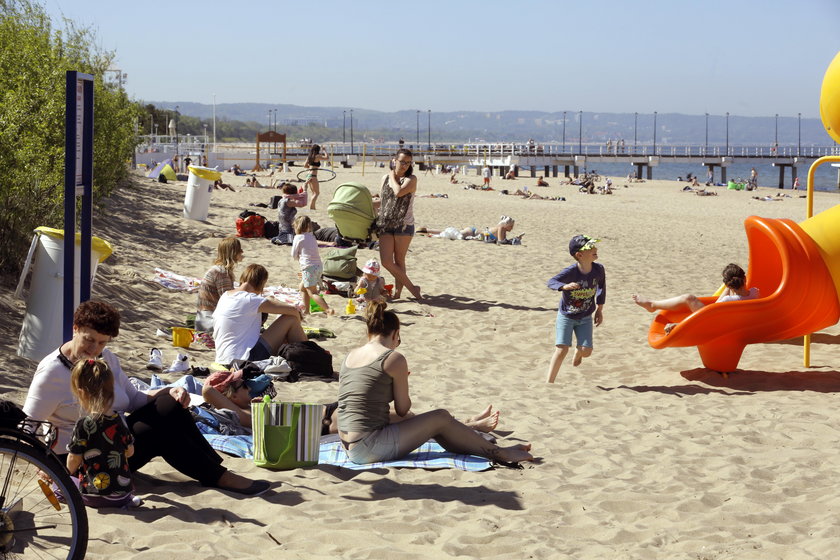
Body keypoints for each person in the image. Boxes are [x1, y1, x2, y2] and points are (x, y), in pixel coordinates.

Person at [23, 300, 270, 496]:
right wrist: (43, 466)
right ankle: (217, 475)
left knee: (169, 405)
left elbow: (133, 400)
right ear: (75, 329)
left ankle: (215, 472)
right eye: (89, 340)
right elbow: (28, 426)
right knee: (163, 431)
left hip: (115, 447)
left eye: (101, 342)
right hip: (81, 462)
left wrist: (170, 391)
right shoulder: (52, 372)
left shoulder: (106, 359)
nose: (94, 349)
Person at [337, 301, 534, 465]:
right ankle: (500, 453)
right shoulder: (392, 358)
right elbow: (403, 407)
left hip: (349, 444)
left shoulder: (350, 356)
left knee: (421, 421)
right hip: (367, 448)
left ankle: (474, 434)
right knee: (440, 417)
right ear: (395, 334)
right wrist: (402, 380)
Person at [66, 357, 139, 508]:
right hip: (123, 494)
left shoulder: (83, 424)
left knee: (58, 486)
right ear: (111, 390)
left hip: (95, 494)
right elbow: (130, 451)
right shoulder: (119, 419)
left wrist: (66, 474)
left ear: (81, 393)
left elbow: (74, 458)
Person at [213, 263, 308, 365]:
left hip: (222, 358)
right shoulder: (251, 300)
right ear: (261, 283)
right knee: (290, 319)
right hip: (245, 359)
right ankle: (308, 355)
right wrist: (297, 323)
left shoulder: (226, 296)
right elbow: (293, 311)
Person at [546, 235, 606, 383]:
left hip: (585, 317)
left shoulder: (599, 269)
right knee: (562, 349)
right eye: (590, 248)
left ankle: (579, 353)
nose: (595, 249)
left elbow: (602, 288)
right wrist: (564, 286)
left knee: (587, 352)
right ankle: (549, 382)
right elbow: (551, 282)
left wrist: (599, 309)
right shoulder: (571, 271)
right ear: (579, 255)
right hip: (566, 316)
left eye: (594, 246)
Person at [632, 263, 759, 333]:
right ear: (745, 279)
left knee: (689, 298)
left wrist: (727, 287)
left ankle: (653, 305)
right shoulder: (755, 293)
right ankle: (677, 323)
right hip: (740, 326)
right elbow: (742, 296)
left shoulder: (727, 301)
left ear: (728, 284)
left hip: (718, 328)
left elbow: (711, 312)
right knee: (692, 302)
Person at [376, 148, 422, 300]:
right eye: (402, 162)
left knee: (399, 260)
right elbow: (383, 201)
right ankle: (413, 288)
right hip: (385, 224)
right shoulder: (384, 178)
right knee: (386, 261)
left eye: (408, 163)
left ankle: (398, 293)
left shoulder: (411, 179)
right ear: (394, 160)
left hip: (404, 225)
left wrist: (391, 175)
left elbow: (398, 192)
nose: (405, 166)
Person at [196, 237, 243, 332]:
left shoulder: (219, 269)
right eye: (239, 249)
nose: (242, 251)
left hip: (203, 318)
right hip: (209, 321)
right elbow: (228, 300)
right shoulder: (221, 273)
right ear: (233, 253)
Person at [291, 215, 333, 315]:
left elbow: (293, 254)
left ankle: (327, 309)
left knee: (312, 292)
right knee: (303, 287)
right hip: (318, 266)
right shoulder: (312, 236)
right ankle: (306, 311)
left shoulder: (298, 237)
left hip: (309, 267)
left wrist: (297, 258)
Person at [304, 144, 329, 210]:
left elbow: (305, 166)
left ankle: (313, 207)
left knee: (313, 193)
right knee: (316, 193)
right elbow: (327, 158)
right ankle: (311, 207)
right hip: (313, 176)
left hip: (308, 175)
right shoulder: (317, 156)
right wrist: (325, 150)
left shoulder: (309, 157)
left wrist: (311, 167)